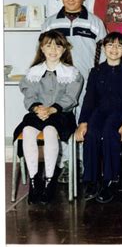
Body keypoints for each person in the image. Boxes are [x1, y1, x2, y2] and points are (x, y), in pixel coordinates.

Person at [42, 0, 107, 184]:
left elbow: (105, 54)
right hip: (58, 84)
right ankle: (67, 163)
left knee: (83, 121)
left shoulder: (95, 23)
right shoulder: (50, 23)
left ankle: (83, 162)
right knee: (61, 121)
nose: (71, 0)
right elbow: (42, 53)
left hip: (87, 81)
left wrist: (100, 81)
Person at [14, 30, 83, 204]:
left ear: (64, 49)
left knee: (50, 130)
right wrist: (37, 108)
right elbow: (28, 94)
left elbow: (70, 97)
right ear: (42, 49)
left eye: (58, 45)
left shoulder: (71, 73)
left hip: (61, 115)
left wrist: (52, 109)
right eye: (48, 45)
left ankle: (50, 180)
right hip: (38, 112)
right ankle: (35, 180)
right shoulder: (34, 72)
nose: (53, 49)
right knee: (28, 130)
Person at [75, 32, 122, 203]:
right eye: (110, 45)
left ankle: (110, 179)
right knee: (92, 132)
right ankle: (91, 180)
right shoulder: (95, 72)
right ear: (104, 48)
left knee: (110, 132)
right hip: (100, 111)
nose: (114, 49)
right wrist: (83, 122)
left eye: (119, 46)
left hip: (119, 113)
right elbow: (89, 99)